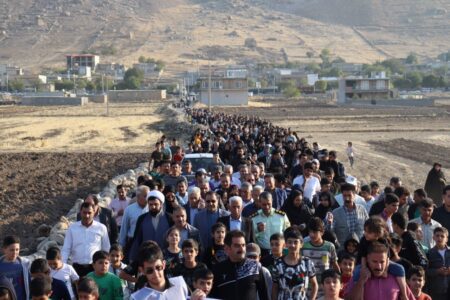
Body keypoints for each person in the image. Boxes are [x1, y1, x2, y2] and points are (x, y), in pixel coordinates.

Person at [345, 241, 415, 300]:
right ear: (367, 260)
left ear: (387, 261)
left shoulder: (397, 278)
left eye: (382, 262)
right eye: (375, 262)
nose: (379, 266)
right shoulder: (358, 277)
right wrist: (361, 281)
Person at [211, 230, 268, 300]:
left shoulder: (255, 266)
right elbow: (212, 296)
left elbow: (264, 295)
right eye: (237, 246)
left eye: (243, 245)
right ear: (227, 249)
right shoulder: (217, 269)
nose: (242, 249)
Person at [62, 202, 110, 277]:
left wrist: (107, 267)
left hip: (95, 268)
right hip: (77, 268)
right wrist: (63, 267)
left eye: (89, 213)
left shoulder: (101, 228)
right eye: (84, 213)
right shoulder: (72, 228)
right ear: (80, 212)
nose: (87, 216)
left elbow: (106, 248)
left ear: (94, 212)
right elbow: (66, 249)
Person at [272, 226, 318, 300]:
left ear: (301, 244)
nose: (292, 245)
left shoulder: (307, 263)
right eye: (289, 242)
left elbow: (315, 285)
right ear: (286, 244)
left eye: (295, 242)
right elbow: (274, 288)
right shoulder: (278, 263)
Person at [129, 190, 173, 262]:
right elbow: (137, 239)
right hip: (146, 257)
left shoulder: (169, 218)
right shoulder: (142, 218)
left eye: (156, 204)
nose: (153, 207)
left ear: (161, 204)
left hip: (165, 258)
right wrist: (132, 258)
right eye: (151, 205)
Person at [302, 218, 339, 286]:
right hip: (307, 288)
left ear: (322, 232)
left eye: (315, 232)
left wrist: (338, 282)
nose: (312, 234)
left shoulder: (329, 246)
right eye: (310, 231)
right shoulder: (304, 246)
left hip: (325, 287)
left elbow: (335, 265)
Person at [330, 183, 368, 248]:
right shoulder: (335, 213)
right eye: (344, 196)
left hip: (360, 249)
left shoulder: (362, 210)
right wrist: (329, 223)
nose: (347, 198)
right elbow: (331, 232)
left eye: (349, 195)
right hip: (342, 250)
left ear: (354, 195)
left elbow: (368, 227)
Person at [118, 185, 149, 263]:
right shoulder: (129, 209)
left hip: (147, 242)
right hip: (132, 242)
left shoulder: (151, 208)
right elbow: (124, 228)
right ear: (138, 197)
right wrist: (121, 246)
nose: (148, 198)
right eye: (145, 196)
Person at [0, 235, 30, 300]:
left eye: (17, 250)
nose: (15, 253)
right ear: (4, 249)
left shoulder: (25, 264)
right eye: (12, 250)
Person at [426, 227, 450, 300]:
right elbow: (426, 271)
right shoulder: (429, 253)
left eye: (442, 236)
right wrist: (437, 271)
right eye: (437, 235)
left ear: (446, 239)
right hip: (436, 291)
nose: (439, 238)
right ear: (433, 237)